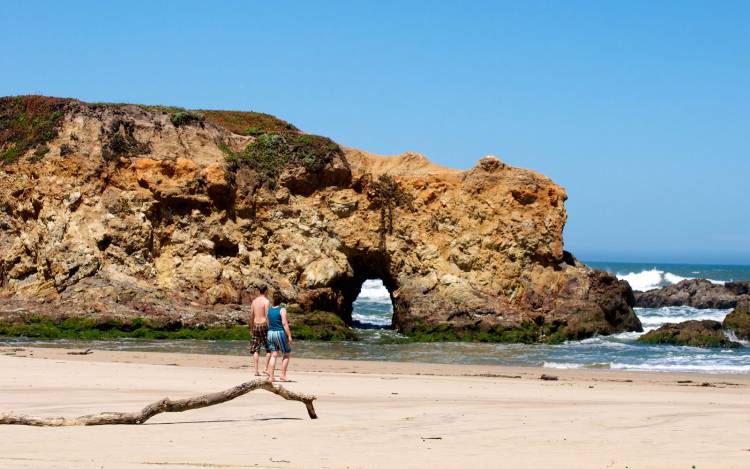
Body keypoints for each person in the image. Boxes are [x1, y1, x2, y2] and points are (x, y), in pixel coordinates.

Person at [266, 292, 293, 382]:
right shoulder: (282, 309)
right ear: (281, 300)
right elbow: (284, 323)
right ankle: (283, 375)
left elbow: (268, 322)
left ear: (273, 299)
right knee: (286, 353)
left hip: (270, 333)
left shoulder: (269, 310)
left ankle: (271, 376)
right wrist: (289, 336)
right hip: (279, 333)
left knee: (273, 355)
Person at [249, 285, 271, 376]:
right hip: (264, 325)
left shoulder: (254, 301)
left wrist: (251, 327)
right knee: (269, 349)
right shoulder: (266, 301)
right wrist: (270, 327)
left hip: (255, 325)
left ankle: (256, 371)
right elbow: (267, 316)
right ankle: (265, 368)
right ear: (265, 291)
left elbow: (251, 315)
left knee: (256, 349)